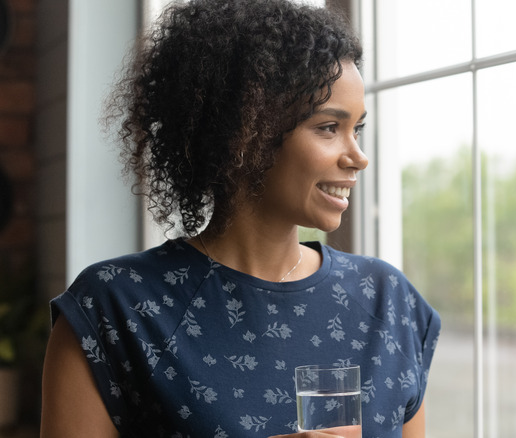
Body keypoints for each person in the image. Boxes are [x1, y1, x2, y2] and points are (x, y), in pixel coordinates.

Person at [39, 1, 441, 437]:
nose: (358, 157)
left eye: (357, 129)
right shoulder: (115, 310)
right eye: (329, 127)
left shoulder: (389, 302)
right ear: (246, 133)